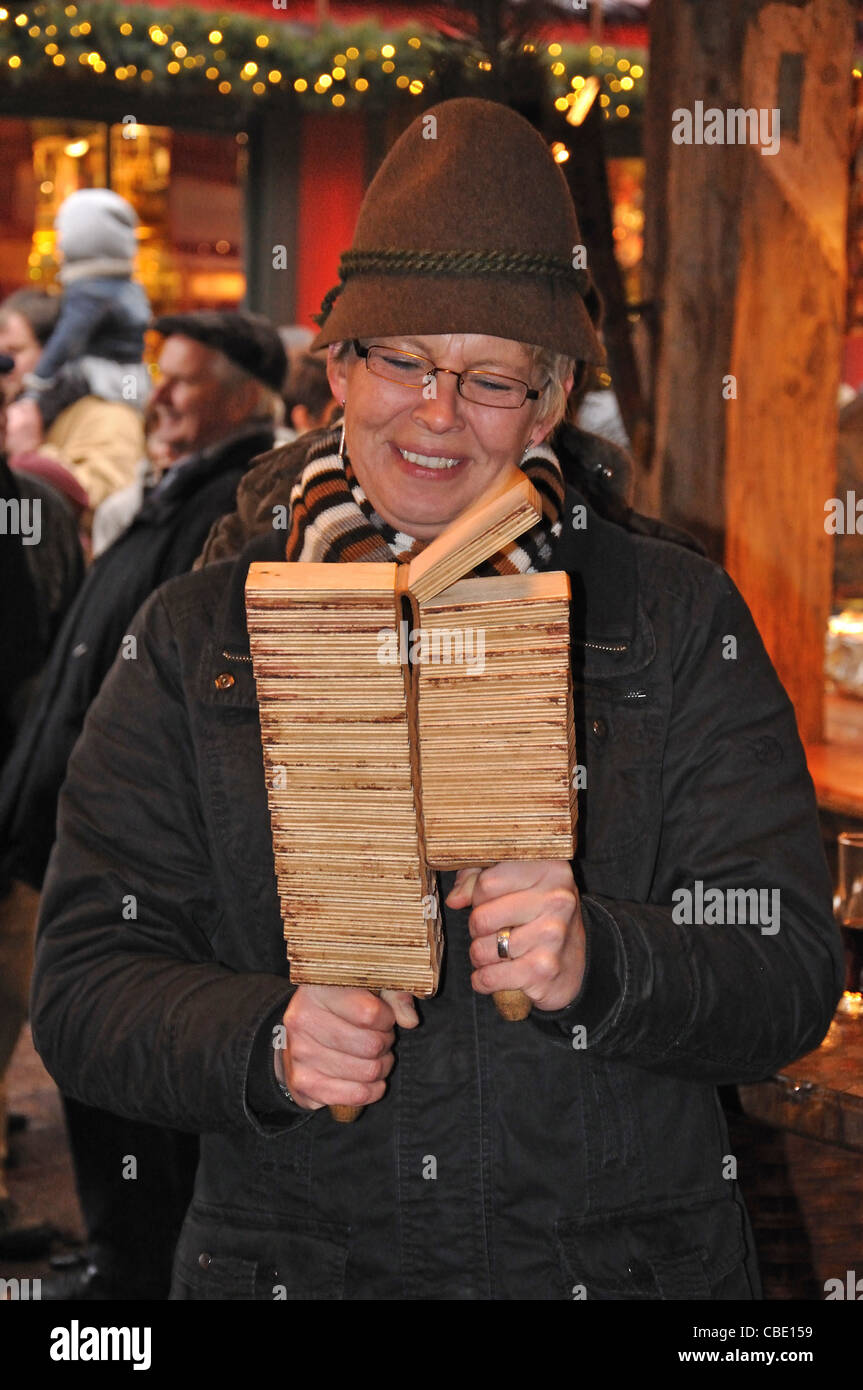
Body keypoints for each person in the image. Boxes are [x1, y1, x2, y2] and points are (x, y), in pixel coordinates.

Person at [31, 99, 842, 1301]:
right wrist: (263, 1040)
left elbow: (787, 967)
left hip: (619, 1271)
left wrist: (602, 963)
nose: (436, 411)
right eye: (403, 357)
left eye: (490, 377)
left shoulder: (670, 621)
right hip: (296, 1270)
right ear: (339, 366)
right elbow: (86, 980)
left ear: (552, 397)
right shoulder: (199, 634)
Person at [1, 310, 286, 1299]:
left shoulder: (231, 515)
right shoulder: (173, 499)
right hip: (76, 842)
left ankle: (137, 1278)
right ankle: (124, 1258)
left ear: (246, 400)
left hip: (143, 871)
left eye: (186, 381)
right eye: (160, 378)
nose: (159, 396)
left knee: (130, 1092)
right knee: (95, 1071)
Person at [6, 190, 150, 451]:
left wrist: (37, 386)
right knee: (133, 409)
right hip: (130, 374)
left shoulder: (91, 292)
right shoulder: (126, 287)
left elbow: (68, 338)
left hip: (105, 375)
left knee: (127, 417)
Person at [0, 287, 144, 515]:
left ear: (56, 354)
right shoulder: (9, 408)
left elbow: (103, 506)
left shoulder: (111, 416)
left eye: (14, 351)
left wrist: (31, 455)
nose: (4, 364)